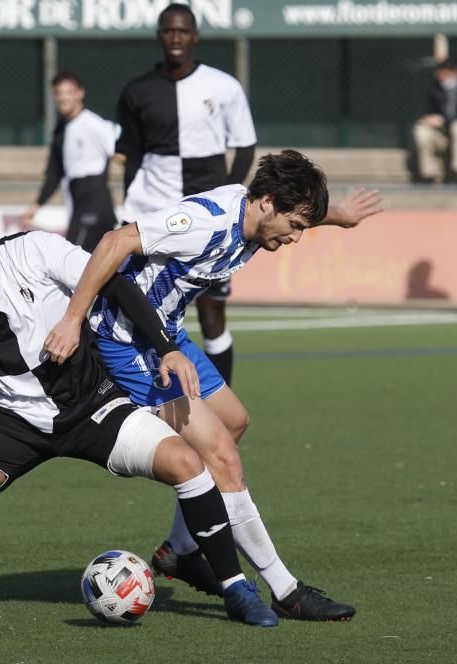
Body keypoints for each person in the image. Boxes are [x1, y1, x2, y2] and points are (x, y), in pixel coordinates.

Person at [0, 192, 280, 627]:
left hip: (94, 406)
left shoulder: (34, 249)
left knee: (188, 463)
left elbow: (115, 283)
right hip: (13, 422)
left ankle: (237, 589)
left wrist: (166, 348)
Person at [44, 150, 382, 621]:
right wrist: (73, 320)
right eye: (296, 225)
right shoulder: (204, 221)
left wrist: (336, 216)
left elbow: (290, 215)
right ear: (265, 203)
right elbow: (114, 242)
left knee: (234, 422)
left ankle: (180, 550)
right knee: (222, 453)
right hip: (127, 342)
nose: (297, 237)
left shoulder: (260, 220)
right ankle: (283, 589)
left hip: (169, 335)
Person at [115, 3, 257, 388]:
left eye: (183, 31)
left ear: (194, 36)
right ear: (160, 35)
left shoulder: (224, 86)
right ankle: (139, 397)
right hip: (154, 212)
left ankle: (221, 396)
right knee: (136, 308)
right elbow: (132, 155)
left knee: (213, 315)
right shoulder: (137, 91)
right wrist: (128, 205)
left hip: (207, 220)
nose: (175, 38)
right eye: (168, 31)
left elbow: (244, 148)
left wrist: (229, 200)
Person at [23, 71, 121, 252]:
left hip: (95, 207)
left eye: (68, 92)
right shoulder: (60, 131)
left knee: (71, 259)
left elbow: (122, 151)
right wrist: (36, 205)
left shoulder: (94, 124)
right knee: (91, 269)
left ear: (79, 93)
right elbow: (54, 173)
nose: (63, 98)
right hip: (77, 207)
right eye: (58, 93)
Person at [412, 59, 457, 184]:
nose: (443, 79)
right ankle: (429, 174)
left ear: (456, 73)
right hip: (441, 136)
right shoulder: (434, 88)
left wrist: (444, 120)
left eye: (446, 75)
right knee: (421, 130)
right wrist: (428, 119)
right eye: (440, 75)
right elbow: (426, 112)